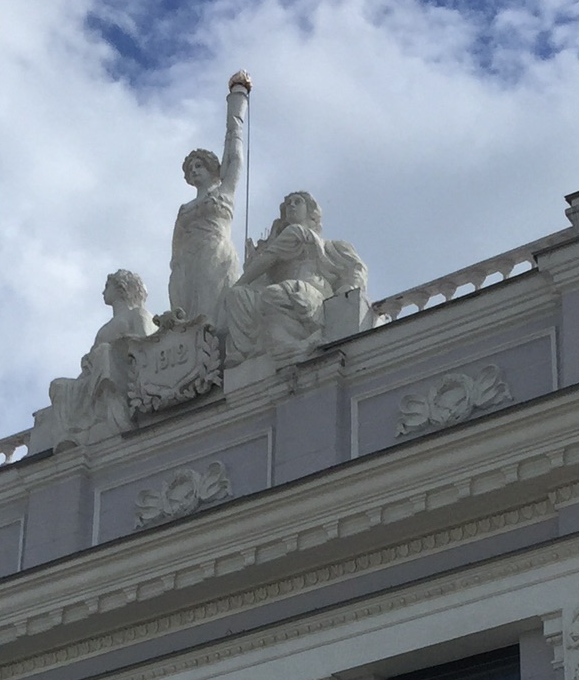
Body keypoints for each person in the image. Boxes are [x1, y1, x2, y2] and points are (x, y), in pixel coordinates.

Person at [223, 192, 367, 364]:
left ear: (311, 211)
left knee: (272, 294)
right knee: (237, 296)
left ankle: (291, 346)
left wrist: (349, 287)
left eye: (297, 202)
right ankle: (245, 354)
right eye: (288, 203)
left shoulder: (322, 242)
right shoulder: (283, 240)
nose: (291, 205)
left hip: (311, 295)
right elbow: (262, 272)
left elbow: (357, 268)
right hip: (284, 291)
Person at [168, 74, 250, 332]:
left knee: (210, 313)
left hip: (214, 253)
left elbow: (235, 157)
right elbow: (176, 246)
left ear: (213, 168)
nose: (194, 170)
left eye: (198, 165)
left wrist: (237, 102)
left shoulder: (224, 192)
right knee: (186, 315)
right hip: (185, 263)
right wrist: (176, 269)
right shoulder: (184, 210)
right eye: (190, 168)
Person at [49, 269, 151, 442]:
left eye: (107, 286)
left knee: (105, 354)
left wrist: (117, 347)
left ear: (121, 288)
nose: (103, 291)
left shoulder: (138, 314)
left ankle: (115, 420)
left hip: (123, 371)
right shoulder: (104, 328)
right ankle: (73, 435)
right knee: (57, 385)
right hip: (94, 376)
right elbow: (89, 365)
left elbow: (147, 346)